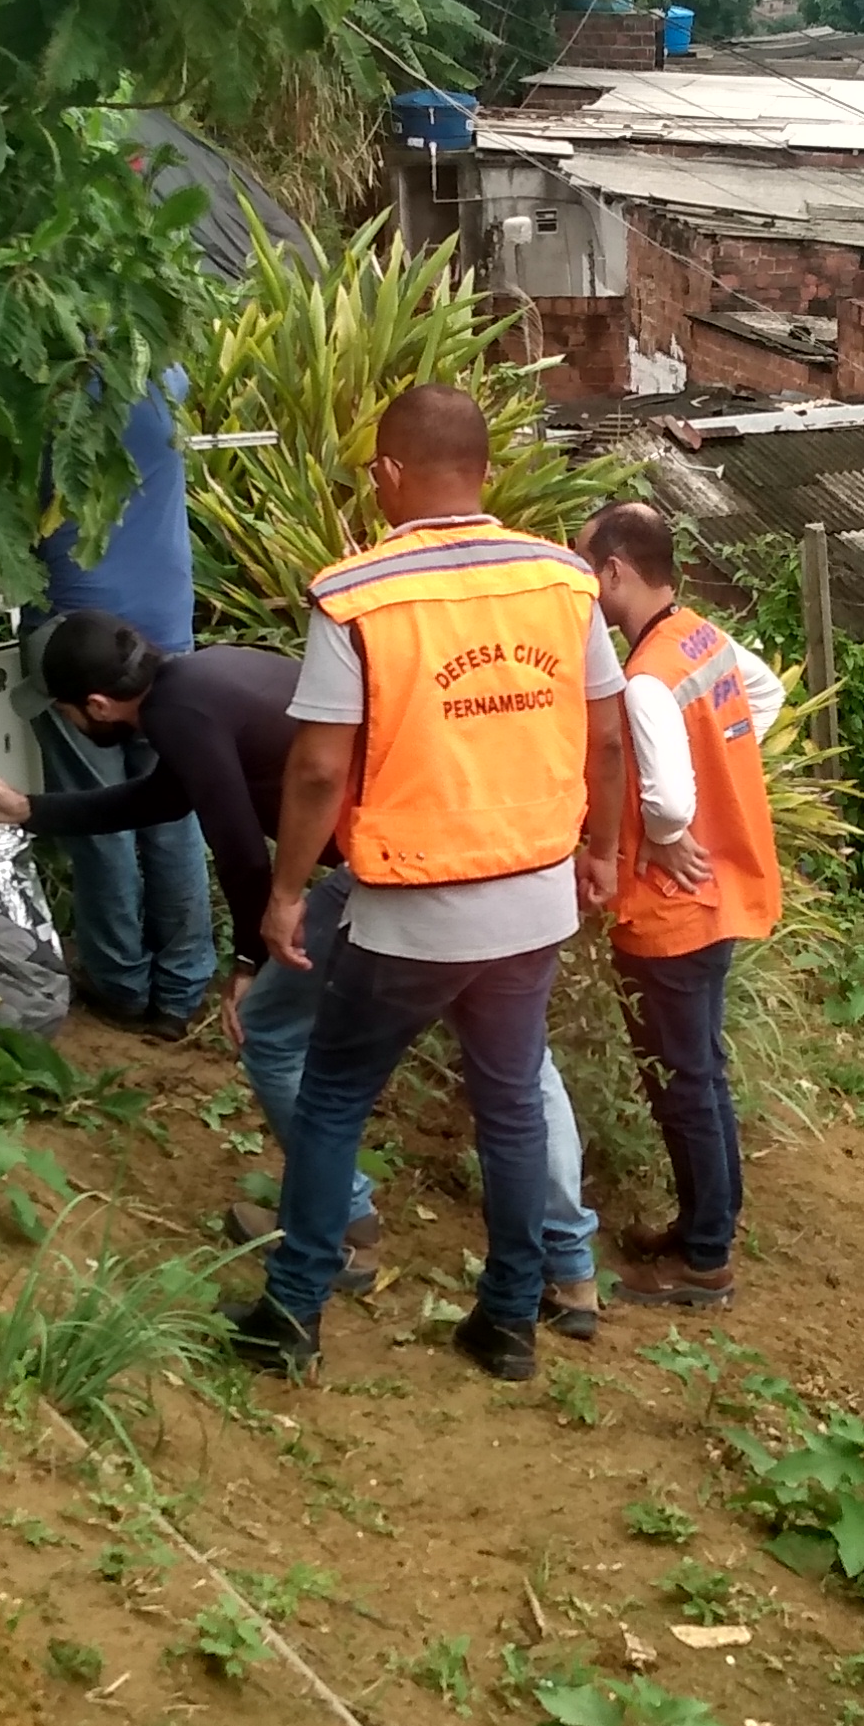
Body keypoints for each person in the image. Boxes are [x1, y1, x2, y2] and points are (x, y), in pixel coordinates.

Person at [0, 610, 604, 1326]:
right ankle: (571, 1272)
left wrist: (250, 959)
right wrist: (31, 809)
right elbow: (165, 797)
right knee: (520, 1070)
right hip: (480, 857)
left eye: (63, 709)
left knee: (271, 1033)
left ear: (95, 705)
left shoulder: (179, 712)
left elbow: (241, 848)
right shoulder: (204, 676)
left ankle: (343, 1229)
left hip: (387, 873)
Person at [230, 385, 627, 1381]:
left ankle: (293, 1313)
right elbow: (608, 736)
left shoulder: (357, 596)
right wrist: (603, 850)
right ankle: (508, 1322)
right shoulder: (564, 580)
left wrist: (285, 895)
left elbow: (318, 770)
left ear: (387, 475)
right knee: (511, 1104)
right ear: (486, 473)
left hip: (412, 907)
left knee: (333, 1098)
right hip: (532, 896)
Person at [580, 502, 782, 1309]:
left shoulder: (644, 680)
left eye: (587, 569)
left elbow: (665, 801)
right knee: (703, 1073)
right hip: (718, 895)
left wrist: (666, 832)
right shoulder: (699, 638)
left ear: (616, 572)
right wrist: (715, 770)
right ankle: (706, 1227)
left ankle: (704, 1260)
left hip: (669, 912)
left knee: (683, 1081)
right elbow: (764, 694)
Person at [24, 371, 212, 1041]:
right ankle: (183, 988)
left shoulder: (45, 382)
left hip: (74, 636)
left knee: (96, 816)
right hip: (166, 624)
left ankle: (120, 984)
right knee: (173, 808)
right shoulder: (163, 371)